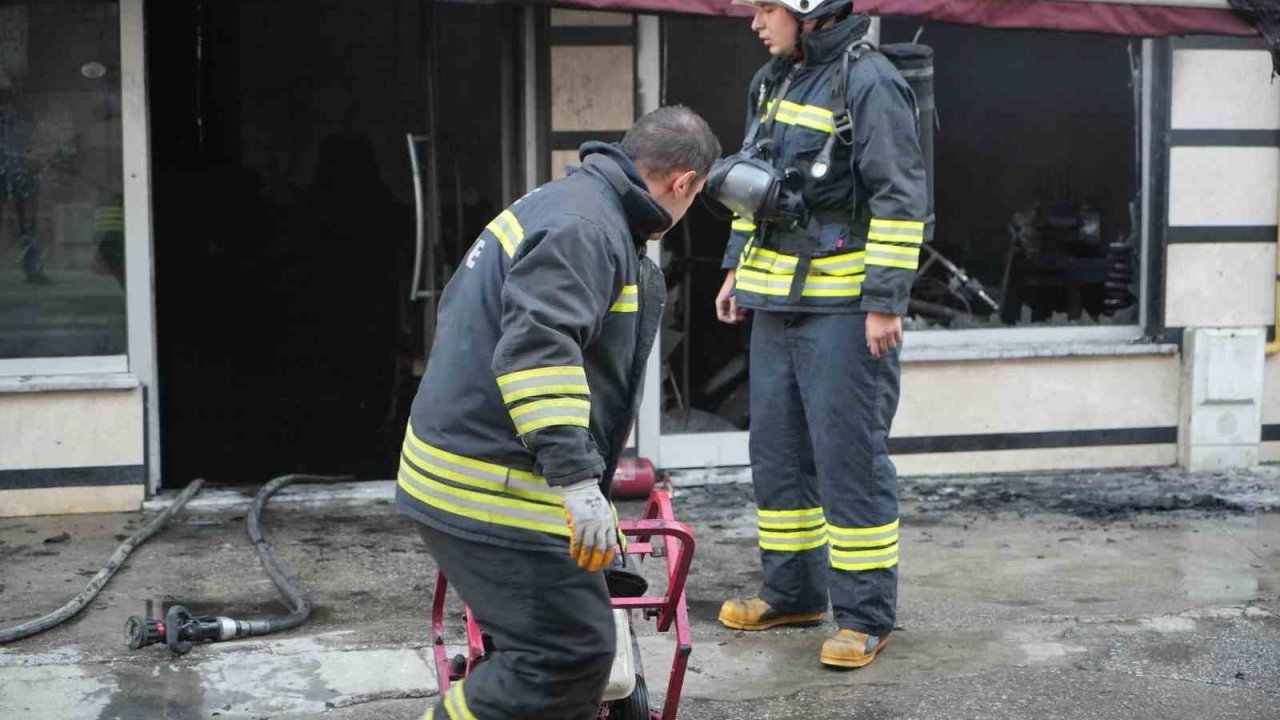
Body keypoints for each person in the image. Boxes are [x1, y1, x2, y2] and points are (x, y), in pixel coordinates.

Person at [397, 105, 720, 719]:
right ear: (684, 183)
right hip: (486, 482)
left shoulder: (575, 204)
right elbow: (539, 352)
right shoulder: (589, 230)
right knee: (568, 654)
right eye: (695, 194)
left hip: (471, 464)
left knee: (566, 648)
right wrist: (576, 481)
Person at [713, 0, 928, 669]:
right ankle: (794, 593)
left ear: (810, 12)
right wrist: (735, 272)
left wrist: (886, 302)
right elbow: (754, 183)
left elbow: (899, 195)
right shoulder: (770, 80)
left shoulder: (868, 81)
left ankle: (865, 617)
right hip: (775, 302)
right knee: (777, 454)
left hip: (845, 312)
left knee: (848, 462)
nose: (755, 22)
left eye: (766, 8)